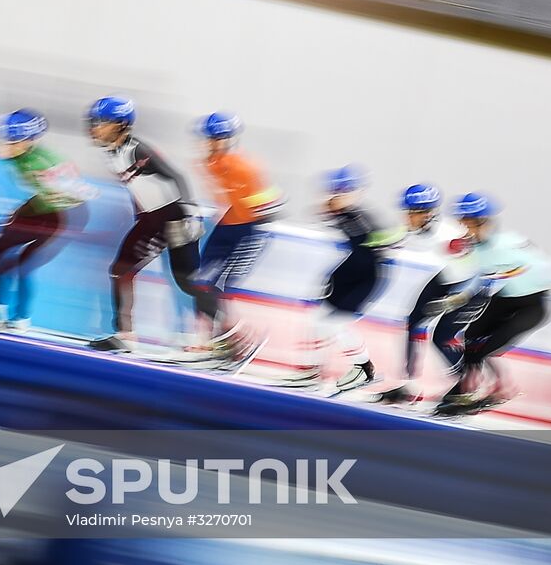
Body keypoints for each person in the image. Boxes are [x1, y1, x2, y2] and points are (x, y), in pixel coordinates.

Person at [85, 96, 216, 354]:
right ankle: (124, 335)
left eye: (101, 123)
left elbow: (176, 176)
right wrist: (141, 216)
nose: (94, 128)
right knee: (121, 270)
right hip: (152, 218)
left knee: (187, 281)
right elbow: (140, 188)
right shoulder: (112, 153)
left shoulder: (137, 150)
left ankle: (215, 338)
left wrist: (190, 215)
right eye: (94, 122)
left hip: (173, 215)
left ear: (121, 125)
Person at [434, 193, 551, 417]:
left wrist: (499, 277)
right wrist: (459, 296)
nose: (465, 230)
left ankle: (502, 389)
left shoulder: (506, 243)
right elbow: (477, 274)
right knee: (470, 339)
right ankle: (467, 388)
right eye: (462, 224)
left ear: (484, 223)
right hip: (506, 299)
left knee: (487, 348)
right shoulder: (475, 247)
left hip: (533, 303)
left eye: (469, 224)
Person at [0, 109, 94, 332]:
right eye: (5, 140)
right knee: (0, 246)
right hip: (45, 204)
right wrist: (20, 212)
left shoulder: (40, 166)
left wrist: (72, 191)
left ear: (29, 141)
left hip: (68, 215)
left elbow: (71, 195)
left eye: (12, 141)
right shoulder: (21, 155)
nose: (5, 145)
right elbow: (43, 195)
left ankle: (21, 318)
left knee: (24, 264)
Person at [282, 166, 401, 393]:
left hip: (367, 277)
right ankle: (311, 370)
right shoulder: (338, 212)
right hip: (348, 271)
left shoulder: (363, 218)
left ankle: (365, 369)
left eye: (343, 192)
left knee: (333, 325)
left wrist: (384, 244)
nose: (337, 197)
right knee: (316, 319)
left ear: (356, 193)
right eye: (334, 192)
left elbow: (391, 240)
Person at [373, 184, 486, 406]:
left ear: (426, 214)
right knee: (414, 322)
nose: (406, 218)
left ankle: (466, 387)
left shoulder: (448, 236)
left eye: (411, 213)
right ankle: (409, 386)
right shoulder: (420, 227)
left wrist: (459, 297)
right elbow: (395, 237)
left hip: (468, 287)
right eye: (406, 212)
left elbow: (477, 269)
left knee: (442, 336)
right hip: (448, 278)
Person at [193, 111, 283, 369]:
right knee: (199, 283)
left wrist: (261, 208)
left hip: (250, 231)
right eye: (209, 138)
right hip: (226, 227)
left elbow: (268, 203)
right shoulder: (207, 163)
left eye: (219, 138)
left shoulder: (245, 167)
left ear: (230, 139)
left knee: (219, 286)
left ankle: (237, 342)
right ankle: (212, 341)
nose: (212, 143)